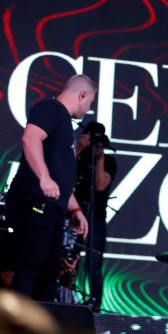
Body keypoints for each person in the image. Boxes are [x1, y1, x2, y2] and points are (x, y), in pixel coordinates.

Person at [1, 75, 95, 302]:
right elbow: (30, 137)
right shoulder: (51, 108)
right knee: (28, 272)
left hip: (51, 211)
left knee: (47, 277)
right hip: (34, 207)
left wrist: (75, 210)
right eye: (90, 102)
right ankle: (17, 333)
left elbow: (59, 179)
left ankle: (39, 333)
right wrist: (43, 177)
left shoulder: (65, 125)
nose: (89, 109)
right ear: (82, 95)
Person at [74, 122, 118, 311]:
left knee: (94, 262)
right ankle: (65, 299)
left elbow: (100, 186)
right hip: (74, 216)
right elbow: (63, 171)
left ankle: (95, 306)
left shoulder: (109, 162)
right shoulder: (77, 156)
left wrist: (99, 156)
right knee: (69, 258)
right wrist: (80, 147)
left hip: (96, 218)